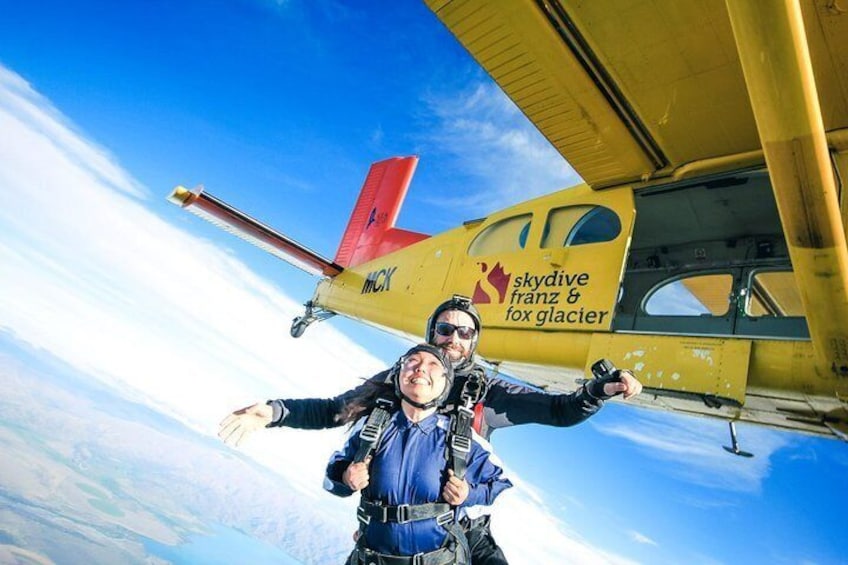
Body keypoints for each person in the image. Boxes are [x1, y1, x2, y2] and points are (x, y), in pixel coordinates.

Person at [219, 295, 643, 564]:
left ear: (474, 341)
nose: (453, 337)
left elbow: (558, 410)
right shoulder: (401, 379)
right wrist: (273, 411)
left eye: (465, 331)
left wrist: (596, 391)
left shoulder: (486, 388)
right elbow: (335, 411)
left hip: (465, 532)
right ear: (430, 334)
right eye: (445, 328)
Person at [325, 344, 512, 565]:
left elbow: (500, 485)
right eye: (412, 361)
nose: (421, 368)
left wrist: (468, 494)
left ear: (445, 383)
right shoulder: (372, 427)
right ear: (399, 374)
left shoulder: (462, 439)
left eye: (433, 364)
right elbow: (330, 481)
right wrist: (346, 477)